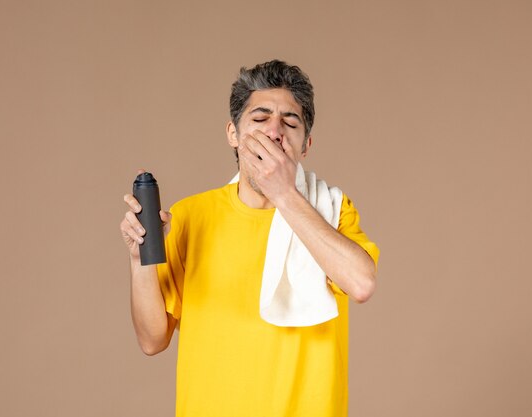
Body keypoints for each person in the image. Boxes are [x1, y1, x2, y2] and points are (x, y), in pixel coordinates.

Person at [119, 60, 380, 417]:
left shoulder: (332, 212)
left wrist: (285, 195)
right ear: (233, 134)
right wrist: (139, 261)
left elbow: (362, 283)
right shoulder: (191, 217)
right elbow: (152, 340)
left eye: (290, 122)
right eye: (260, 119)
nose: (275, 131)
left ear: (305, 146)